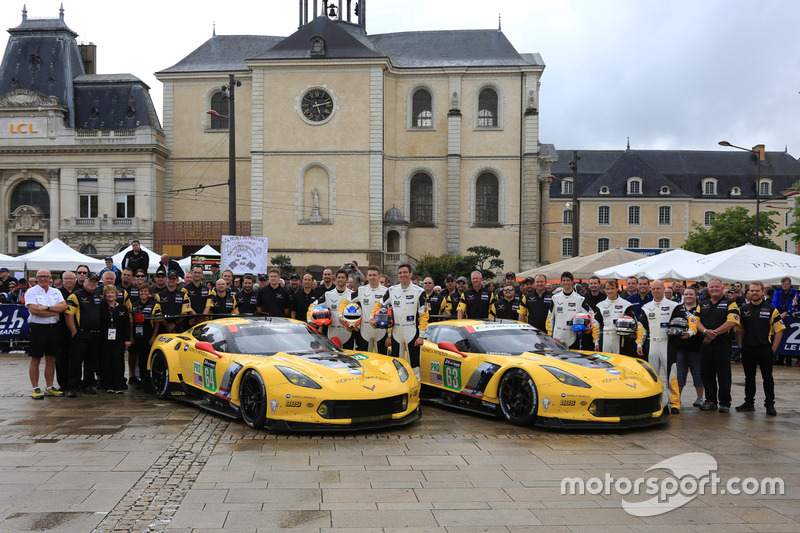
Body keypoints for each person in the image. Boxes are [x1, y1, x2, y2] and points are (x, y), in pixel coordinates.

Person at [638, 280, 695, 414]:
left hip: (668, 344)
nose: (655, 291)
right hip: (651, 343)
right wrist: (639, 344)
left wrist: (691, 332)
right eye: (653, 289)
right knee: (652, 375)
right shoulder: (646, 307)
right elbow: (641, 328)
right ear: (650, 290)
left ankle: (674, 403)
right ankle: (653, 402)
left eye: (658, 288)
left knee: (672, 374)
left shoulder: (674, 305)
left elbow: (691, 319)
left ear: (664, 289)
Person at [736, 281, 783, 416]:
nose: (754, 293)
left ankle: (770, 405)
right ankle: (749, 403)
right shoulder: (743, 309)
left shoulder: (772, 310)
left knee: (767, 378)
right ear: (748, 292)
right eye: (752, 291)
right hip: (748, 349)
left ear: (763, 292)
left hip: (765, 349)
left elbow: (779, 331)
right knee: (749, 378)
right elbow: (739, 329)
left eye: (757, 290)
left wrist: (773, 349)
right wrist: (740, 345)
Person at [695, 278, 740, 413]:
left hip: (722, 344)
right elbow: (695, 321)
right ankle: (710, 401)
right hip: (706, 344)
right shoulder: (702, 304)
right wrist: (705, 332)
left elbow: (732, 321)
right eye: (711, 287)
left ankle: (725, 403)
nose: (714, 289)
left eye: (717, 286)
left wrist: (713, 333)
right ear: (708, 289)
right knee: (706, 373)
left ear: (722, 288)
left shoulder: (731, 303)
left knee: (724, 374)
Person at [377, 263, 428, 377]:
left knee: (414, 367)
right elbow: (379, 305)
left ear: (411, 274)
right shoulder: (391, 290)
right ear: (398, 275)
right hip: (396, 333)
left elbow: (424, 315)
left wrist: (421, 335)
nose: (402, 275)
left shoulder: (419, 291)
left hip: (412, 333)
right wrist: (373, 318)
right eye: (400, 273)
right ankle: (400, 392)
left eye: (405, 272)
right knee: (397, 367)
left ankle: (416, 393)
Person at [24, 269, 67, 399]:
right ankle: (35, 388)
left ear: (50, 278)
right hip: (38, 328)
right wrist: (54, 310)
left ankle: (49, 387)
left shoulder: (56, 291)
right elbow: (34, 310)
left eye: (45, 276)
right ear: (36, 278)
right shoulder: (31, 292)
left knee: (51, 359)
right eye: (40, 276)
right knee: (36, 358)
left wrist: (46, 308)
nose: (43, 278)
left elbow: (64, 307)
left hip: (54, 328)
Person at [65, 273, 103, 397]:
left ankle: (86, 384)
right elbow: (68, 314)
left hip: (95, 334)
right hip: (81, 334)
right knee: (76, 361)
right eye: (90, 281)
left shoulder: (98, 295)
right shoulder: (75, 296)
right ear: (84, 281)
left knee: (91, 362)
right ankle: (72, 386)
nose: (92, 283)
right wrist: (74, 332)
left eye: (95, 282)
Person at [546, 271, 595, 349]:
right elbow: (550, 317)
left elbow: (591, 314)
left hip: (573, 336)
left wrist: (590, 327)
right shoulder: (555, 298)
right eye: (564, 280)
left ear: (572, 282)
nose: (566, 282)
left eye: (568, 280)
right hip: (557, 335)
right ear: (561, 282)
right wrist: (549, 334)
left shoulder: (580, 299)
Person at [674, 286, 705, 409]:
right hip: (680, 346)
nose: (688, 296)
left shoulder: (700, 308)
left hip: (696, 346)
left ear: (696, 295)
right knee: (680, 373)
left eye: (691, 294)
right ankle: (677, 398)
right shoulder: (678, 308)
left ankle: (700, 398)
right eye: (686, 294)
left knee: (697, 373)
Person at [593, 279, 641, 355]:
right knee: (606, 360)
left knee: (620, 361)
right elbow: (596, 325)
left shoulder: (626, 304)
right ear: (605, 290)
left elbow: (634, 323)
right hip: (606, 336)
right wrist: (596, 343)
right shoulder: (600, 305)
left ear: (617, 289)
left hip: (621, 337)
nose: (610, 291)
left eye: (612, 288)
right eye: (607, 289)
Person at [99, 285, 131, 394]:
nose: (110, 295)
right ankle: (109, 385)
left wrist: (128, 339)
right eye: (107, 293)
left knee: (118, 361)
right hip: (105, 339)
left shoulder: (122, 308)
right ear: (104, 295)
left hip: (119, 339)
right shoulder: (102, 307)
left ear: (116, 294)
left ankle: (118, 385)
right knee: (106, 361)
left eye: (112, 293)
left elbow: (127, 324)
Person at [311, 270, 356, 348]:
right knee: (333, 359)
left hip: (348, 332)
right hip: (332, 332)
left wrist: (354, 326)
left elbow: (359, 311)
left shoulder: (353, 295)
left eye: (343, 277)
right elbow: (313, 305)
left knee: (348, 358)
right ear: (335, 279)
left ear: (347, 279)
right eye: (339, 277)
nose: (340, 279)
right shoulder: (328, 294)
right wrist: (310, 320)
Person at [130, 282, 160, 392]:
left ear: (149, 293)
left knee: (149, 359)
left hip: (149, 335)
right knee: (141, 359)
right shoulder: (135, 304)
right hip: (138, 336)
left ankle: (149, 381)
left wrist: (153, 337)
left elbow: (157, 322)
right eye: (141, 291)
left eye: (145, 291)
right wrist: (131, 337)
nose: (143, 293)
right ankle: (142, 381)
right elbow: (131, 322)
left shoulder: (154, 304)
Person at [354, 266, 389, 354]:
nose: (372, 277)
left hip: (381, 330)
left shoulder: (387, 291)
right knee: (365, 359)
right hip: (365, 330)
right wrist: (341, 316)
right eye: (370, 275)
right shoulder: (361, 290)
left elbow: (392, 311)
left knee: (381, 360)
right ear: (367, 277)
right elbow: (345, 300)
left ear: (379, 276)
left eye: (374, 275)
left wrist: (390, 335)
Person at [56, 270, 78, 391]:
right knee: (61, 358)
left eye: (71, 278)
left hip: (76, 330)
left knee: (76, 358)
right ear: (62, 280)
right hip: (61, 330)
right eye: (67, 278)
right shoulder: (57, 293)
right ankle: (63, 383)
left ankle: (75, 382)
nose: (69, 281)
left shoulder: (79, 292)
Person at [771, 277, 798, 365]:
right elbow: (774, 303)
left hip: (789, 316)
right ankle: (780, 358)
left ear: (790, 284)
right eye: (783, 284)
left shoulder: (795, 293)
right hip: (778, 316)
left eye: (786, 284)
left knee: (788, 336)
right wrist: (776, 313)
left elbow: (793, 305)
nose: (784, 286)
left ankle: (789, 359)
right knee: (779, 336)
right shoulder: (777, 292)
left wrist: (786, 312)